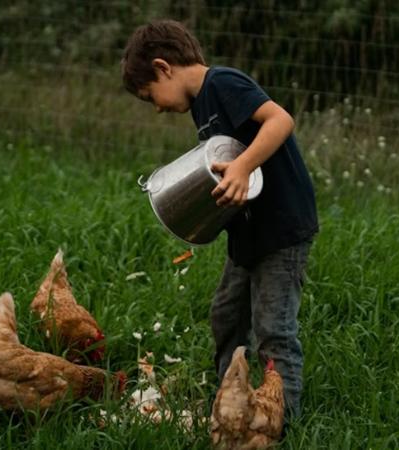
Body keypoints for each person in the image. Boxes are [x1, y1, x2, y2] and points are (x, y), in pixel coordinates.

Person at [122, 19, 319, 423]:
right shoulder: (201, 106)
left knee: (273, 329)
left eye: (151, 96)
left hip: (281, 230)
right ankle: (229, 408)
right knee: (226, 316)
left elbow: (280, 120)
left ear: (163, 68)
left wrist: (244, 166)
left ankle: (284, 423)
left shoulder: (223, 84)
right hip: (247, 234)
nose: (157, 107)